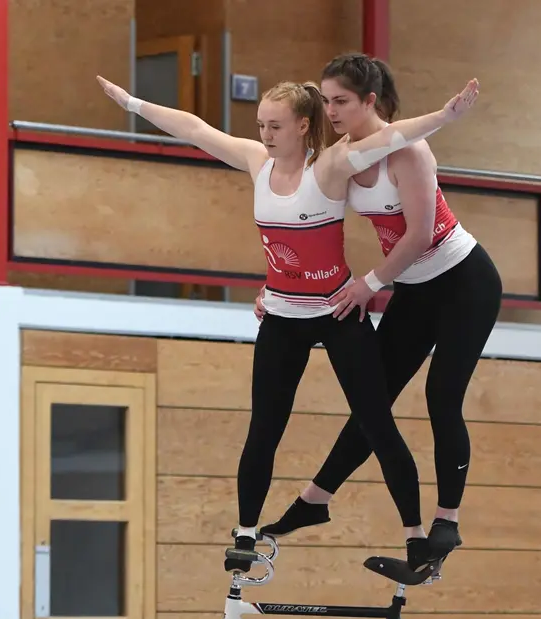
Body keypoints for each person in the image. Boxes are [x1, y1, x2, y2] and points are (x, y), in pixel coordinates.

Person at [95, 72, 482, 575]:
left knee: (377, 424)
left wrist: (444, 117)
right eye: (260, 125)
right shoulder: (257, 163)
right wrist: (132, 101)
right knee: (264, 429)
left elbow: (393, 137)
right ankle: (246, 533)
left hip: (338, 311)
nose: (264, 135)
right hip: (282, 314)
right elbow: (193, 129)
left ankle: (414, 537)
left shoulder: (332, 166)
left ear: (303, 125)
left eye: (274, 126)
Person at [255, 53, 500, 561]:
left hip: (464, 283)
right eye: (324, 101)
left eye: (340, 100)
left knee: (441, 397)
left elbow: (419, 236)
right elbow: (304, 217)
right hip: (413, 289)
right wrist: (279, 286)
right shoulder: (341, 155)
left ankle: (446, 521)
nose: (331, 110)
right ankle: (315, 499)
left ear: (370, 101)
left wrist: (369, 284)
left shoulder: (410, 154)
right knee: (372, 400)